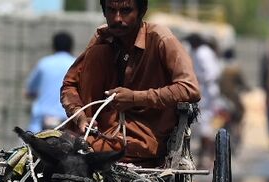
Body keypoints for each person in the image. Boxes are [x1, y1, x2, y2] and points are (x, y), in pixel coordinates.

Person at [60, 0, 200, 167]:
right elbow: (70, 85)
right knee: (97, 53)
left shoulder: (160, 38)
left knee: (66, 148)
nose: (117, 18)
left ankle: (86, 145)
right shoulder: (103, 38)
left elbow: (190, 89)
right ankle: (86, 138)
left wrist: (134, 98)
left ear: (141, 11)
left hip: (144, 137)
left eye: (126, 11)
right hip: (97, 132)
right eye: (111, 10)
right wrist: (80, 116)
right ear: (104, 12)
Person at [25, 32, 76, 133]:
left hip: (41, 121)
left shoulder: (43, 64)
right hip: (67, 120)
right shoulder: (76, 64)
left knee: (25, 147)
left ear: (53, 46)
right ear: (71, 47)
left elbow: (30, 90)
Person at [186, 33, 222, 168]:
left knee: (204, 127)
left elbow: (211, 73)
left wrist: (195, 78)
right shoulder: (203, 52)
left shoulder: (202, 53)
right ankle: (204, 157)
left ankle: (206, 157)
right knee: (204, 126)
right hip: (206, 94)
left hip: (206, 95)